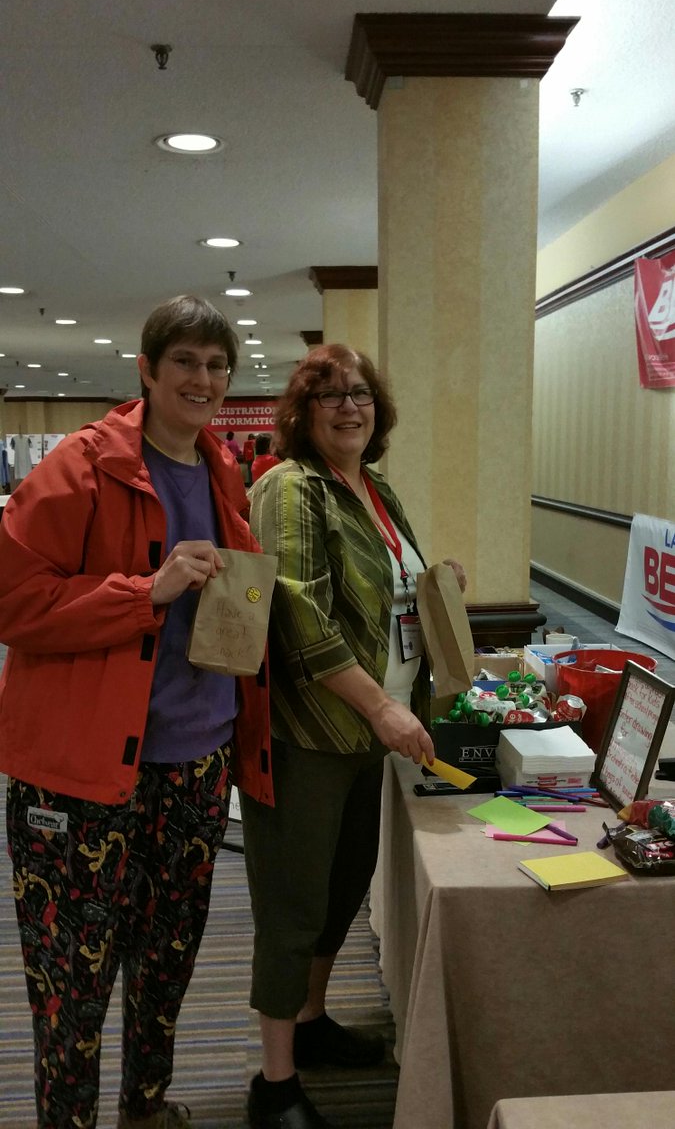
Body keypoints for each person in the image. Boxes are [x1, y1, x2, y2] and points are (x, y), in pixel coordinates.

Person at [0, 294, 273, 1129]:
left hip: (194, 763)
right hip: (79, 777)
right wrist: (141, 593)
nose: (203, 379)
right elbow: (13, 603)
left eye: (217, 365)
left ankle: (145, 1107)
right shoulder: (80, 468)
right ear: (147, 371)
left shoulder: (222, 469)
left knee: (165, 965)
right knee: (72, 988)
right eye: (185, 362)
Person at [242, 344, 466, 1129]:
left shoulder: (372, 487)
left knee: (342, 890)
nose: (349, 407)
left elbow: (385, 589)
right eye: (329, 395)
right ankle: (273, 1083)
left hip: (373, 726)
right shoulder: (288, 486)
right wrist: (378, 708)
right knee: (292, 902)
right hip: (312, 732)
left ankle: (309, 1025)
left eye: (361, 394)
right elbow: (295, 611)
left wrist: (433, 582)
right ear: (301, 412)